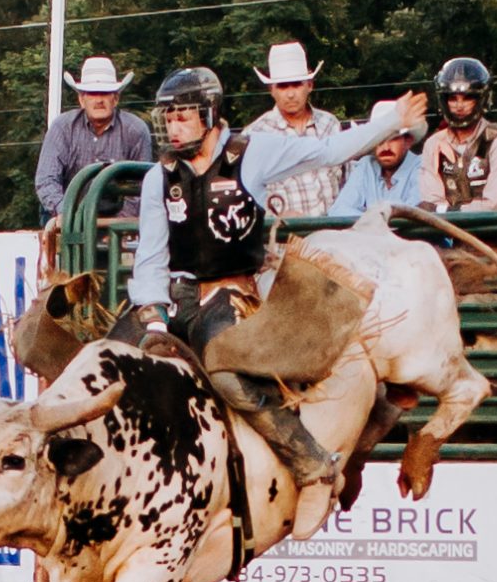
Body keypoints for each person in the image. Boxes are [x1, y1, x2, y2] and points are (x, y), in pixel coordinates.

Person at [124, 66, 430, 483]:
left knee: (227, 376)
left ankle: (310, 458)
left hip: (231, 293)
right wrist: (153, 315)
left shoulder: (253, 152)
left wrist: (392, 120)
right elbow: (151, 254)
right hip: (176, 297)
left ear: (210, 114)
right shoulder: (158, 177)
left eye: (182, 116)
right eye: (169, 118)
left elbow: (328, 151)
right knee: (111, 359)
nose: (173, 128)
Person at [34, 56, 153, 221]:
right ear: (81, 99)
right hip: (67, 215)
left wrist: (120, 225)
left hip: (117, 218)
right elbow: (46, 180)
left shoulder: (136, 130)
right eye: (92, 93)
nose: (99, 100)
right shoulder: (62, 128)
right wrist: (66, 214)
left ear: (116, 98)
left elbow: (143, 186)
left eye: (105, 93)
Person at [248, 42, 346, 219]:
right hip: (284, 241)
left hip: (332, 238)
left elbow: (348, 181)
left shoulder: (330, 125)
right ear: (272, 90)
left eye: (296, 85)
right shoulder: (255, 135)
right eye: (283, 86)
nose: (290, 94)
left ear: (310, 85)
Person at [417, 59, 497, 211]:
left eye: (467, 97)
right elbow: (431, 202)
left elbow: (496, 207)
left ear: (481, 99)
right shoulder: (433, 144)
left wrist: (450, 212)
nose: (459, 105)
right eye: (452, 98)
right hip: (447, 232)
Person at [330, 105, 427, 214]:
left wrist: (368, 220)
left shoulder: (422, 166)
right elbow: (338, 210)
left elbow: (416, 213)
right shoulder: (366, 166)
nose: (386, 148)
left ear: (408, 141)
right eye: (379, 139)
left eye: (393, 139)